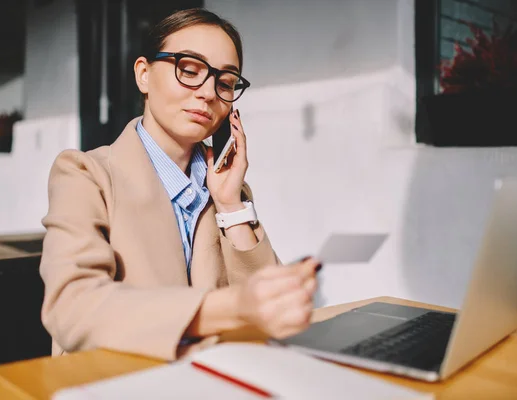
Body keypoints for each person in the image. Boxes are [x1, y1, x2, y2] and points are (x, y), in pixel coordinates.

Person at [39, 8, 321, 361]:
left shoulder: (225, 190)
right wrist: (228, 308)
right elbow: (71, 308)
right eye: (189, 71)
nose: (208, 93)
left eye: (226, 83)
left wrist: (232, 205)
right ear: (143, 74)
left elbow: (268, 320)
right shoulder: (85, 174)